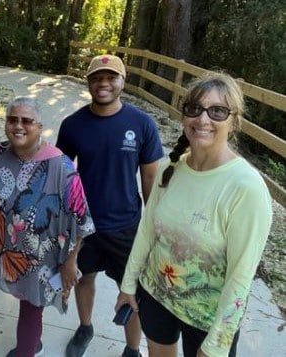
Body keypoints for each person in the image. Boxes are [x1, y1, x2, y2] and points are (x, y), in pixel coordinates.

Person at [116, 72, 273, 357]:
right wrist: (128, 286)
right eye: (194, 109)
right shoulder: (170, 169)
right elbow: (147, 231)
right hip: (156, 296)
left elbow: (240, 278)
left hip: (206, 318)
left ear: (234, 122)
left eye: (217, 111)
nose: (203, 119)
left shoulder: (246, 189)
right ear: (183, 116)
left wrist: (216, 345)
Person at [55, 54, 164, 357]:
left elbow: (151, 182)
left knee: (132, 289)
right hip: (83, 227)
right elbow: (61, 176)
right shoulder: (73, 125)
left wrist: (153, 230)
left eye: (110, 77)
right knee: (84, 277)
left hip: (126, 226)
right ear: (88, 81)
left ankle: (132, 349)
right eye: (96, 77)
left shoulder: (142, 124)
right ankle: (85, 326)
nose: (103, 83)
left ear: (122, 81)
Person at [0, 97, 95, 357]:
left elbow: (81, 221)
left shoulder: (61, 167)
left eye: (26, 121)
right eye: (12, 120)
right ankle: (33, 344)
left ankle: (27, 351)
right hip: (11, 251)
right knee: (28, 305)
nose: (18, 126)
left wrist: (70, 261)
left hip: (44, 257)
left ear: (40, 127)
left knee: (32, 308)